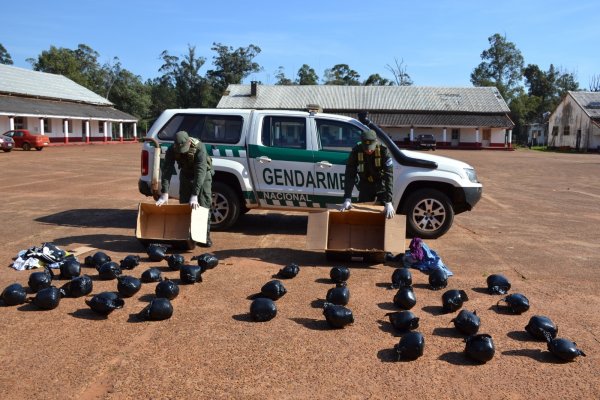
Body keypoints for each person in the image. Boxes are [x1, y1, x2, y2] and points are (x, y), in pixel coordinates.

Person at [156, 130, 214, 247]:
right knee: (184, 205)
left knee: (203, 205)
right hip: (186, 174)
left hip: (203, 176)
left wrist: (195, 194)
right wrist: (165, 192)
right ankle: (187, 235)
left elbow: (200, 171)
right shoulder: (172, 150)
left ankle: (204, 236)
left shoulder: (199, 148)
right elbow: (166, 170)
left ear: (188, 142)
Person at [339, 129, 395, 219]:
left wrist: (389, 201)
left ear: (376, 142)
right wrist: (347, 198)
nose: (369, 151)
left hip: (381, 184)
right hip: (366, 185)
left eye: (371, 148)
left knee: (388, 213)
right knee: (363, 213)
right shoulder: (356, 151)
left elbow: (389, 176)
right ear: (362, 144)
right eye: (366, 148)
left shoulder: (384, 151)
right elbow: (350, 175)